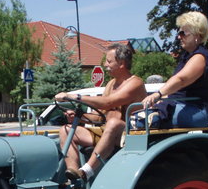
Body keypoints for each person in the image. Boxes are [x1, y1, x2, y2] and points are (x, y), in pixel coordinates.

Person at [55, 43, 146, 180]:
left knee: (114, 123)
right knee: (66, 130)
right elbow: (101, 116)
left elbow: (109, 102)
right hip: (108, 131)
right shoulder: (111, 84)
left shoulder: (135, 83)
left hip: (129, 133)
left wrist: (75, 96)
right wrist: (80, 116)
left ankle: (87, 170)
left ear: (121, 63)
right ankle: (73, 171)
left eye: (109, 61)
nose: (105, 64)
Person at [142, 11, 208, 129]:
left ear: (197, 35)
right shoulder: (186, 57)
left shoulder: (200, 57)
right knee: (142, 115)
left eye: (183, 33)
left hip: (199, 110)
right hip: (185, 106)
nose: (179, 36)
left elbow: (181, 80)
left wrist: (158, 94)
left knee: (145, 118)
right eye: (179, 33)